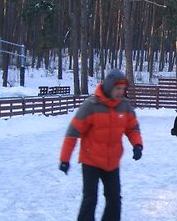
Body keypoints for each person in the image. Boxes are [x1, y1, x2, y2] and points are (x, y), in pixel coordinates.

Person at [59, 69, 143, 221]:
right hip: (91, 160)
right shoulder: (91, 105)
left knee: (114, 198)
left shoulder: (124, 106)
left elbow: (132, 128)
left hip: (112, 161)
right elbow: (73, 132)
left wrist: (137, 144)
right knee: (90, 198)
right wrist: (65, 159)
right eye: (117, 88)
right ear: (109, 87)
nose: (120, 92)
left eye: (123, 89)